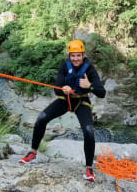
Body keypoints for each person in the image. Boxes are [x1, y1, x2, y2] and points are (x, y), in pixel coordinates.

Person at [19, 39, 106, 182]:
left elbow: (102, 93)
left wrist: (89, 86)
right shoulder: (65, 67)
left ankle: (89, 168)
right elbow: (56, 88)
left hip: (82, 101)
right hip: (66, 100)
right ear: (69, 56)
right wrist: (63, 91)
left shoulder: (89, 70)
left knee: (89, 131)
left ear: (83, 55)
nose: (76, 58)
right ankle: (33, 153)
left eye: (78, 55)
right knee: (41, 118)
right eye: (73, 55)